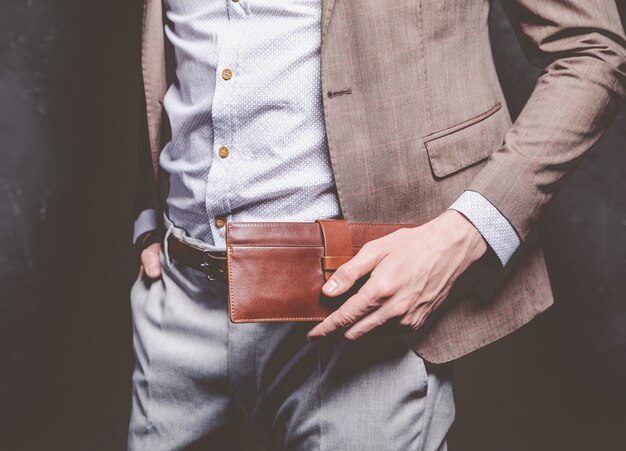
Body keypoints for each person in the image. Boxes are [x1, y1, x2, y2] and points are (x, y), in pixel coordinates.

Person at [127, 1, 626, 449]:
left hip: (357, 308)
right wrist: (148, 215)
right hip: (177, 296)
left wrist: (467, 232)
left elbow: (591, 49)